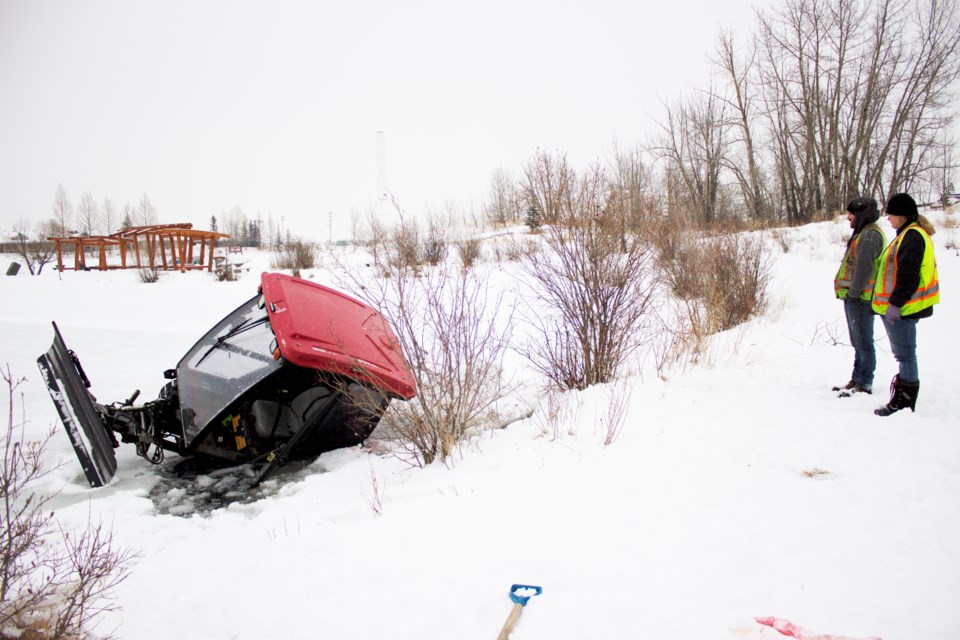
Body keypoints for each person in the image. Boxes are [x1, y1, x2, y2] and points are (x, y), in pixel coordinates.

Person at [871, 192, 940, 416]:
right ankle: (903, 393)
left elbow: (909, 275)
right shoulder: (908, 234)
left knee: (905, 354)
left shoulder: (912, 236)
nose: (888, 218)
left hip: (904, 307)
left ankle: (905, 400)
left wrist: (896, 303)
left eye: (891, 214)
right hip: (905, 306)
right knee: (905, 354)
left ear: (902, 215)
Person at [832, 197, 886, 397]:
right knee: (858, 342)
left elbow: (864, 269)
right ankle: (857, 378)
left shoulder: (870, 236)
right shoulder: (862, 234)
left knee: (864, 341)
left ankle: (864, 383)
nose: (848, 217)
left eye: (852, 213)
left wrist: (853, 294)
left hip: (861, 299)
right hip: (855, 298)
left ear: (862, 214)